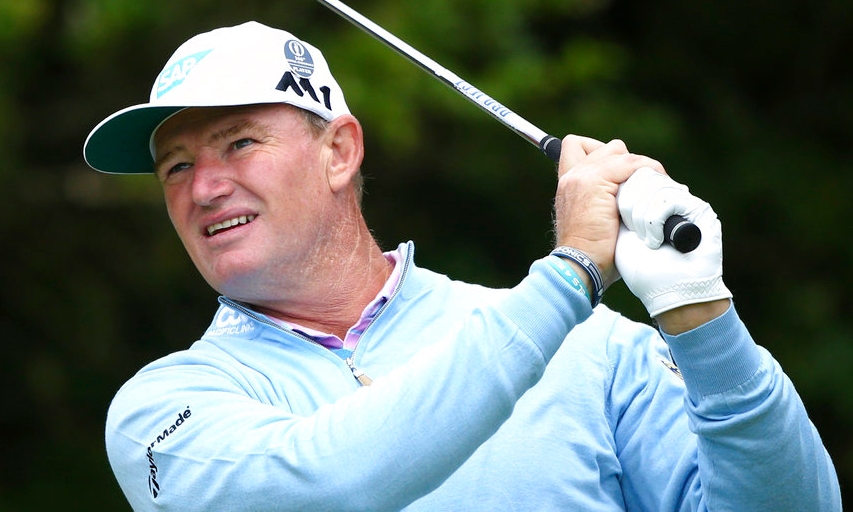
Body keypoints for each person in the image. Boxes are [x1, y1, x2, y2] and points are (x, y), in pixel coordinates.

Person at [83, 21, 841, 512]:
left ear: (339, 151)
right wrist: (570, 274)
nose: (204, 188)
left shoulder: (594, 349)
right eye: (176, 166)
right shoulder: (164, 410)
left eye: (240, 143)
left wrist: (699, 314)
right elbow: (328, 482)